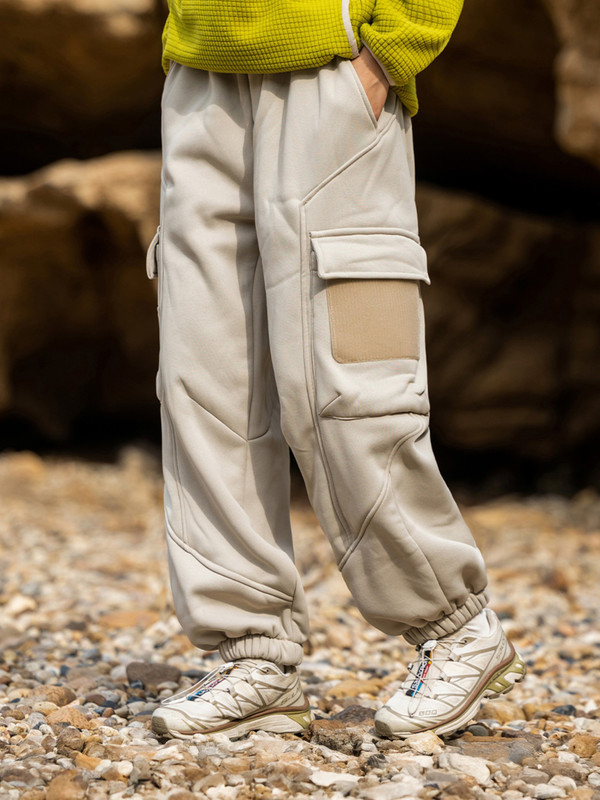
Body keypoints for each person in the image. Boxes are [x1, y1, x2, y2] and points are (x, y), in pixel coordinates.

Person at [147, 0, 526, 740]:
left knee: (346, 380)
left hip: (332, 67)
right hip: (202, 71)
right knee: (205, 381)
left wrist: (393, 49)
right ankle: (253, 652)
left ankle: (456, 627)